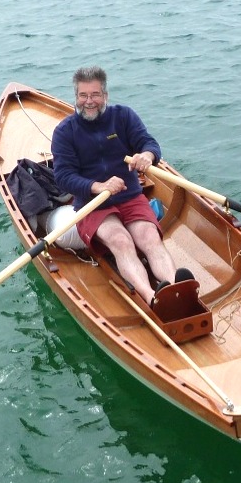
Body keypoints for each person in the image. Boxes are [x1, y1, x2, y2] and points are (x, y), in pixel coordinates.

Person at [51, 66, 190, 308]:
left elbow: (148, 143)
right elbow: (63, 177)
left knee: (149, 238)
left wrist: (147, 155)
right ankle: (152, 297)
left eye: (94, 95)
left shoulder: (124, 116)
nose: (89, 102)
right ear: (76, 97)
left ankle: (175, 291)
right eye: (83, 96)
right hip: (93, 205)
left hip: (130, 196)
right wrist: (98, 186)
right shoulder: (65, 132)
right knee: (121, 241)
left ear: (105, 95)